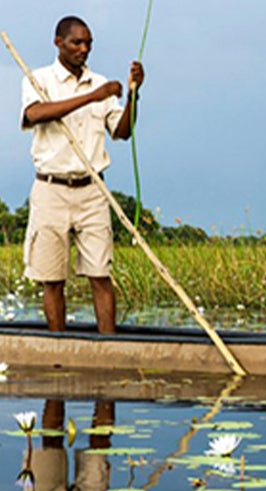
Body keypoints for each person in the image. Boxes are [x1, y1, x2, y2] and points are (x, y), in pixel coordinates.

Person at [20, 16, 145, 334]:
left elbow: (122, 132)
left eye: (88, 43)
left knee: (100, 274)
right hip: (51, 188)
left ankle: (109, 348)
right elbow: (34, 114)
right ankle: (59, 347)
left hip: (91, 191)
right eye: (77, 42)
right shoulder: (39, 79)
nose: (84, 49)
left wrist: (133, 95)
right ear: (58, 42)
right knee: (52, 278)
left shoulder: (99, 82)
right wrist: (93, 97)